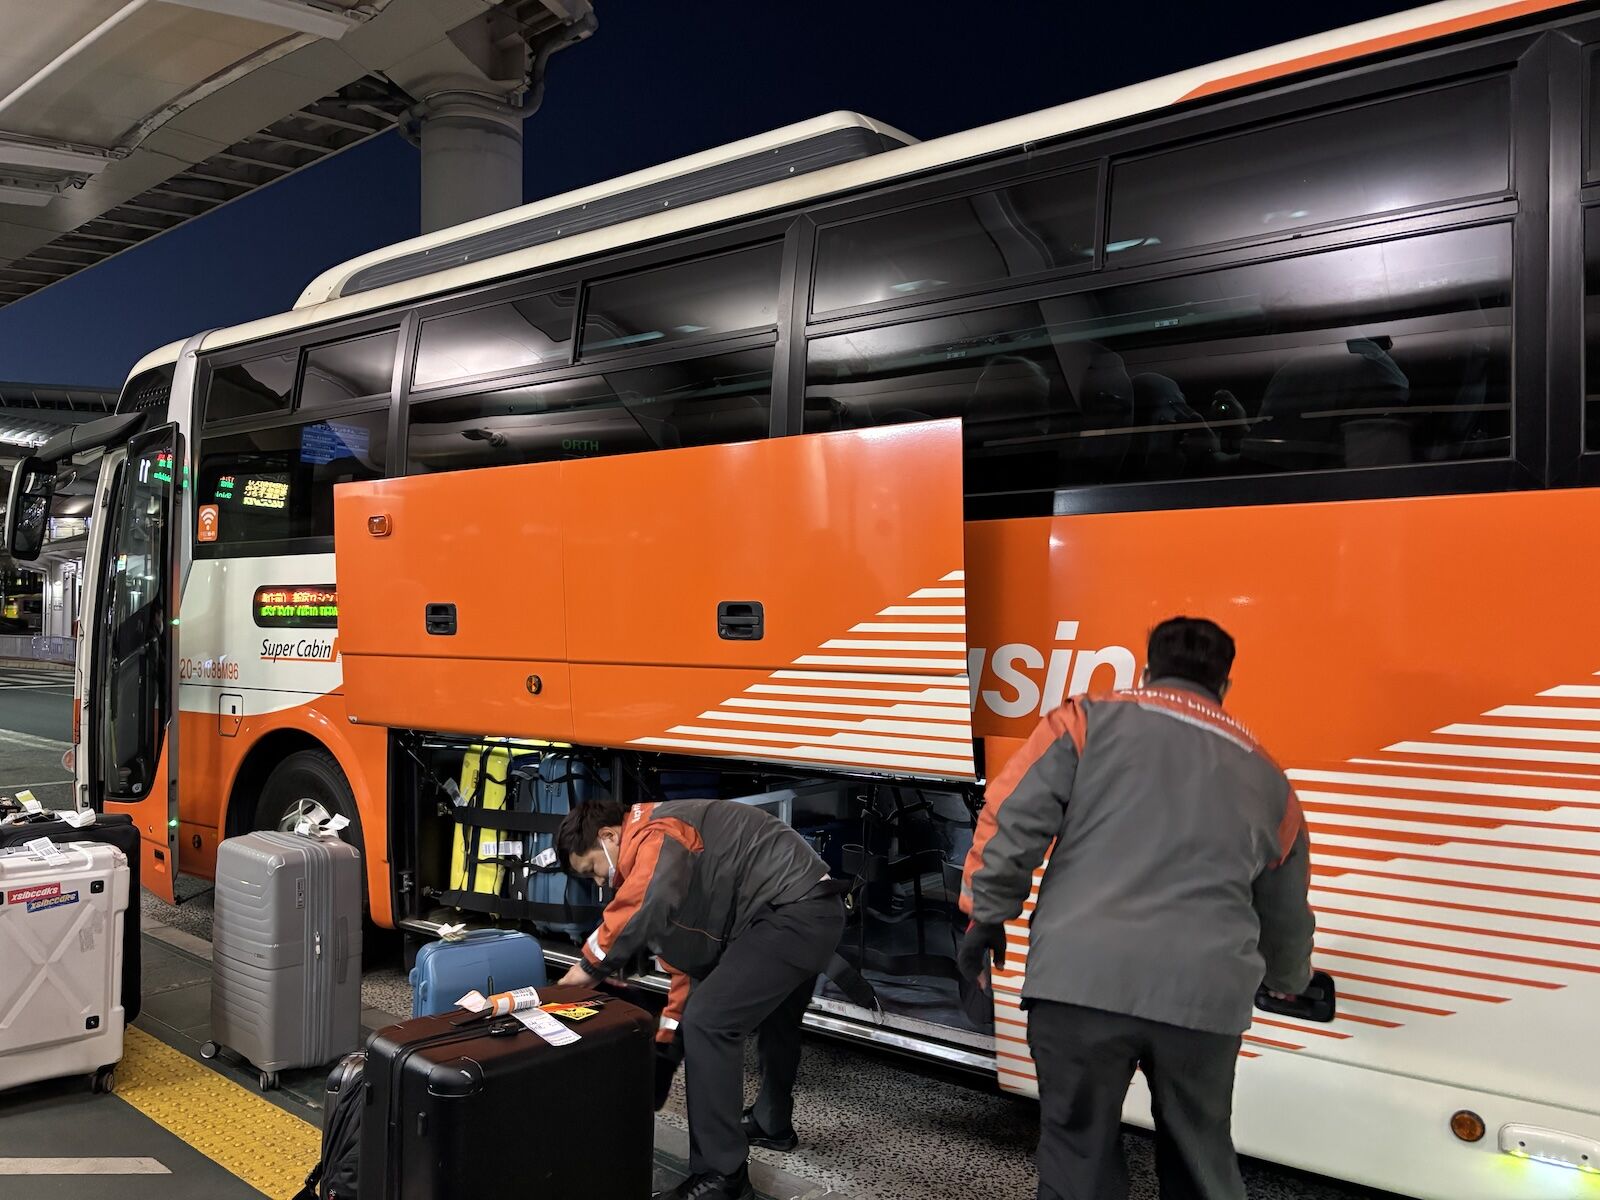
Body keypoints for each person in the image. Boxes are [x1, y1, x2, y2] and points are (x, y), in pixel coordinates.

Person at [958, 616, 1315, 1200]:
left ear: (1147, 671)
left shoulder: (1082, 722)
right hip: (1205, 1003)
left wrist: (985, 913)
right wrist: (1286, 979)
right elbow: (1284, 910)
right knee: (1202, 1159)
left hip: (1081, 984)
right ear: (1224, 686)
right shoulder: (1270, 778)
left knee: (1079, 1158)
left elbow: (1012, 820)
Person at [555, 796, 845, 1200]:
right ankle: (771, 1121)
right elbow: (691, 972)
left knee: (710, 1022)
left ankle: (721, 1176)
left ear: (609, 836)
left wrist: (587, 969)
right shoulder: (668, 842)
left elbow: (641, 904)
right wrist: (665, 1049)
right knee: (774, 1017)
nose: (601, 883)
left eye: (593, 870)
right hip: (806, 910)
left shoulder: (657, 832)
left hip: (792, 914)